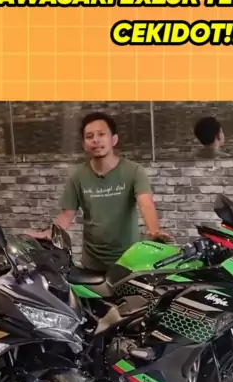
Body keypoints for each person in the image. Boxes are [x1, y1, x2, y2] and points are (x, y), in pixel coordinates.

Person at [28, 111, 172, 271]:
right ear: (84, 144)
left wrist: (154, 231)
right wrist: (49, 233)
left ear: (114, 140)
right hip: (92, 264)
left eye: (101, 134)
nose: (95, 140)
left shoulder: (134, 171)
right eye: (89, 136)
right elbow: (67, 215)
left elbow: (146, 203)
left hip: (128, 261)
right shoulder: (78, 177)